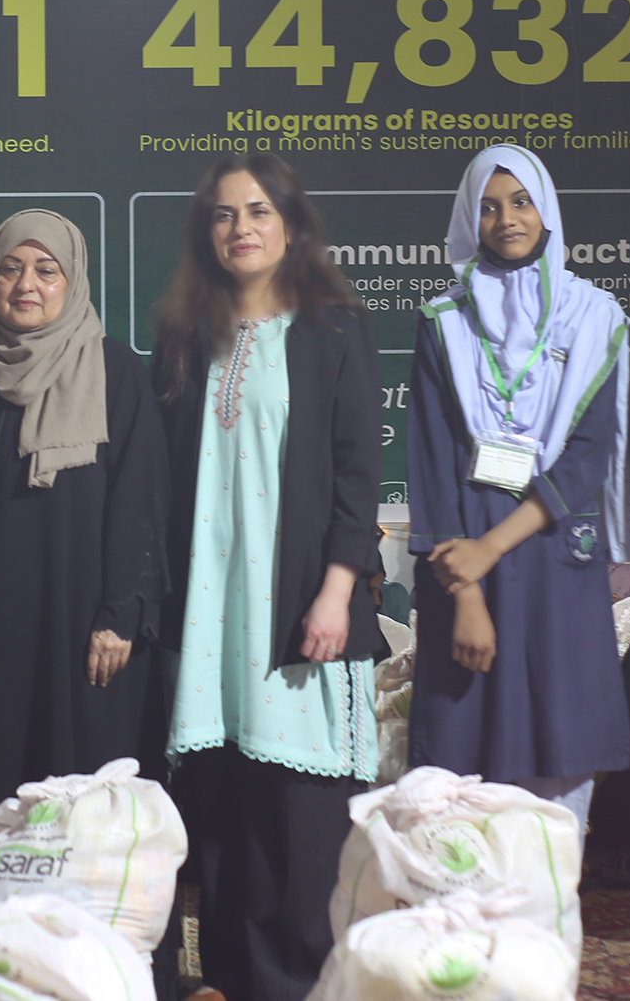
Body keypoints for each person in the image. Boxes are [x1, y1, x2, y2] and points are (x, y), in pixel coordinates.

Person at [152, 152, 385, 1001]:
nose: (240, 228)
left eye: (257, 211)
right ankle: (228, 977)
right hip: (212, 617)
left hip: (299, 607)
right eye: (223, 214)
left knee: (299, 814)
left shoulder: (334, 328)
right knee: (223, 807)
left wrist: (336, 591)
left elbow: (358, 472)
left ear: (291, 225)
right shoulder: (186, 335)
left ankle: (297, 981)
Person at [407, 144, 630, 836]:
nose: (507, 218)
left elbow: (587, 457)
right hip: (461, 562)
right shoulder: (443, 321)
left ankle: (552, 893)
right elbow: (432, 464)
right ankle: (469, 896)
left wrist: (491, 549)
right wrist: (468, 591)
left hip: (555, 552)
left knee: (561, 741)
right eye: (489, 206)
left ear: (547, 210)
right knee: (463, 758)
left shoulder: (594, 317)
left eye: (521, 201)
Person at [0, 209, 170, 817]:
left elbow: (141, 498)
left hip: (81, 628)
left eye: (46, 270)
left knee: (83, 808)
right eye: (9, 269)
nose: (26, 284)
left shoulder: (114, 370)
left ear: (73, 280)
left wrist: (120, 614)